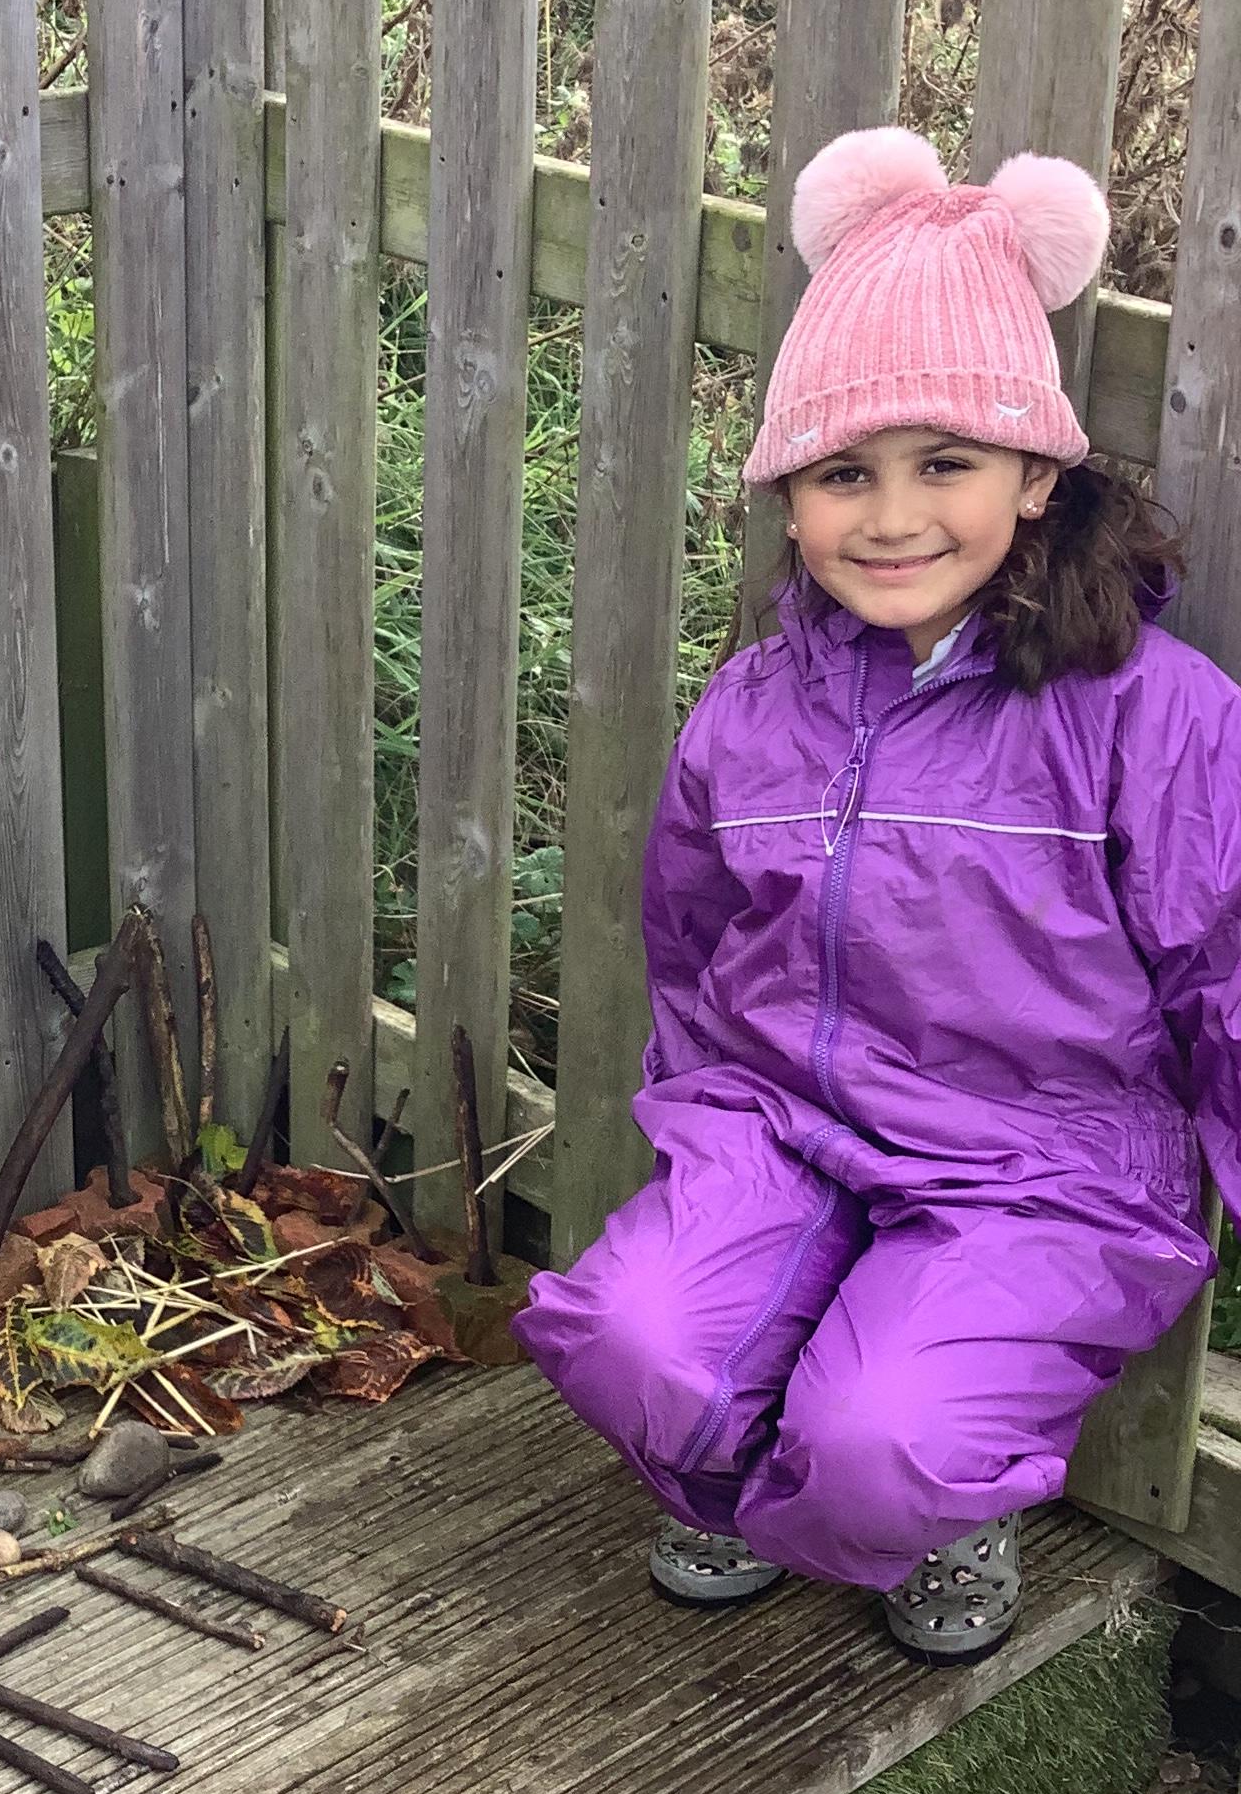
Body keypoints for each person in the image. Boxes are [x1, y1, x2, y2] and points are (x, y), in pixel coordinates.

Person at [514, 126, 1241, 1666]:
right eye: (846, 472)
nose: (893, 516)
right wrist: (712, 1118)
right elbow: (696, 937)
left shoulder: (1151, 715)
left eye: (945, 464)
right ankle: (736, 1471)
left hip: (1040, 1169)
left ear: (1035, 475)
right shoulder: (756, 706)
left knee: (879, 1443)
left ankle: (910, 1506)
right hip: (789, 1126)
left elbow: (1225, 965)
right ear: (791, 497)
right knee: (633, 1341)